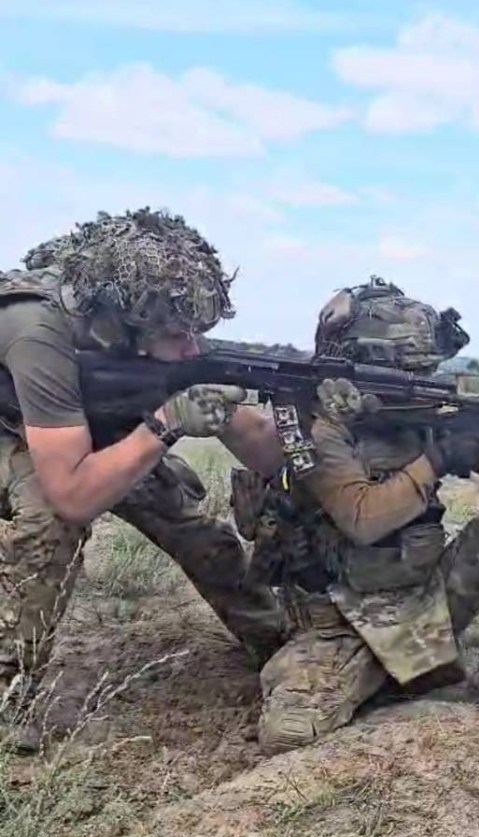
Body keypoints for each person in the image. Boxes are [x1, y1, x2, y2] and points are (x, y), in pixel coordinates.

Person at [230, 277, 479, 756]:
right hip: (343, 624)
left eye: (426, 369)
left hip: (423, 601)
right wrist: (440, 458)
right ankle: (391, 670)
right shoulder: (315, 426)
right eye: (409, 370)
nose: (423, 382)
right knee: (290, 733)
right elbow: (362, 517)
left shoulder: (418, 415)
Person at [0, 207, 288, 750]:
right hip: (14, 434)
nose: (193, 350)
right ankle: (8, 689)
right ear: (122, 324)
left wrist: (316, 424)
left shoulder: (134, 344)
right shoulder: (36, 328)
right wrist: (167, 423)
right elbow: (73, 494)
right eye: (179, 335)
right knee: (48, 517)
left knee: (187, 520)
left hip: (72, 432)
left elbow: (262, 444)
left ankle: (273, 636)